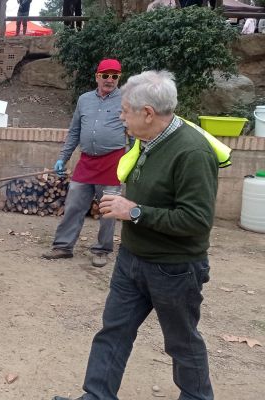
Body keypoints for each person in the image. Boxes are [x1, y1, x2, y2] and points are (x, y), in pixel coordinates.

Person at [53, 70, 218, 400]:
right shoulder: (147, 141)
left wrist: (135, 212)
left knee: (182, 343)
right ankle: (97, 396)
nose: (120, 115)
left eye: (126, 110)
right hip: (132, 259)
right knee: (113, 332)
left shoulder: (192, 152)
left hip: (174, 268)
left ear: (148, 113)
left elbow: (197, 220)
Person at [42, 59, 126, 268]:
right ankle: (63, 246)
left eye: (114, 76)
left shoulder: (127, 100)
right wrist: (64, 156)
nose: (109, 80)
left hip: (113, 162)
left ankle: (102, 250)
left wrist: (133, 162)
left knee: (108, 210)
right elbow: (75, 131)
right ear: (97, 76)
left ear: (119, 78)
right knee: (73, 205)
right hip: (86, 161)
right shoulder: (84, 100)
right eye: (105, 75)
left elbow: (133, 134)